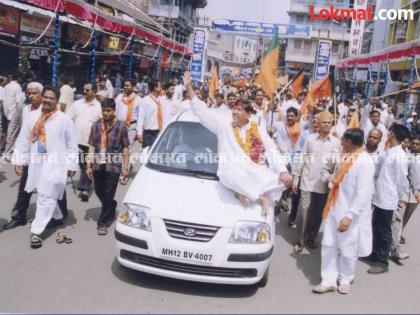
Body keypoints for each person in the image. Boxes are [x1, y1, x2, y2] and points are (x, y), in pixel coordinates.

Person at [183, 71, 292, 216]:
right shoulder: (223, 126)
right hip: (232, 172)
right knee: (228, 174)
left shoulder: (257, 127)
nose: (234, 112)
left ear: (248, 114)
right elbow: (202, 112)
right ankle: (259, 199)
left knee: (285, 180)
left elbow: (271, 149)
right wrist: (189, 88)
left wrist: (283, 170)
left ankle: (241, 192)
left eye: (239, 110)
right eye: (234, 108)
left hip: (253, 170)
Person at [12, 86, 78, 248]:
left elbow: (71, 144)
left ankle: (36, 232)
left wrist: (71, 163)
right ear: (42, 97)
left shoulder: (64, 120)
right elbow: (24, 139)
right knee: (44, 192)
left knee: (46, 196)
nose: (48, 100)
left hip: (56, 164)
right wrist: (19, 159)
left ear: (57, 101)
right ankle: (57, 216)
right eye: (46, 97)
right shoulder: (32, 116)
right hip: (36, 162)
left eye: (52, 98)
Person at [313, 128, 375, 294]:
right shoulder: (343, 156)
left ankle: (346, 278)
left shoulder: (365, 162)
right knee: (328, 244)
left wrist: (349, 216)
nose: (340, 143)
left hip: (350, 212)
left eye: (343, 141)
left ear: (350, 142)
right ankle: (328, 280)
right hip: (334, 206)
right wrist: (332, 178)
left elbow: (363, 194)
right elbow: (337, 179)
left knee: (348, 247)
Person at [3, 82, 70, 230]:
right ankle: (19, 217)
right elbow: (19, 130)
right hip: (31, 156)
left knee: (56, 186)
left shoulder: (57, 116)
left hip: (50, 158)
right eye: (28, 93)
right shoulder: (24, 109)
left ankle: (60, 214)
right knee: (24, 188)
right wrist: (18, 158)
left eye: (35, 93)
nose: (31, 96)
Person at [292, 112, 340, 252]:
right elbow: (302, 157)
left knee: (318, 213)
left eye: (329, 122)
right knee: (304, 211)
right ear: (317, 124)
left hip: (324, 184)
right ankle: (300, 240)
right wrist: (296, 177)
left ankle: (311, 237)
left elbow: (337, 165)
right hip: (307, 181)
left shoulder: (336, 142)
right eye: (323, 122)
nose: (326, 125)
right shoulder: (310, 139)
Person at [367, 124, 410, 274]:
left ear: (392, 134)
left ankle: (382, 262)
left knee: (385, 231)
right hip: (378, 196)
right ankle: (374, 253)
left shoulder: (399, 156)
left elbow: (402, 180)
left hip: (388, 198)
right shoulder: (387, 153)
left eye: (390, 132)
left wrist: (402, 196)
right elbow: (376, 169)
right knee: (376, 227)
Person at [86, 98, 129, 236]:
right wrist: (89, 164)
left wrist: (125, 167)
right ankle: (111, 205)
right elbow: (92, 145)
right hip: (99, 164)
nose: (105, 113)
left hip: (114, 165)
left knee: (109, 192)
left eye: (108, 111)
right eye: (103, 111)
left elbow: (126, 148)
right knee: (99, 191)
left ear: (114, 110)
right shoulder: (96, 126)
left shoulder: (121, 126)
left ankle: (102, 223)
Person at [67, 82, 101, 202]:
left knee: (88, 164)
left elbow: (102, 123)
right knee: (83, 164)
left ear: (94, 92)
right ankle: (85, 184)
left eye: (87, 90)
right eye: (84, 89)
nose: (84, 91)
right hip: (77, 140)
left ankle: (85, 188)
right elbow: (68, 119)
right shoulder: (77, 104)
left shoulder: (99, 106)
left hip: (92, 142)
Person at [390, 135, 420, 263]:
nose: (414, 145)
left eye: (417, 144)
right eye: (413, 143)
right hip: (407, 192)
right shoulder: (406, 156)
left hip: (415, 195)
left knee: (404, 219)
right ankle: (395, 247)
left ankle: (396, 239)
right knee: (398, 219)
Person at [115, 78, 141, 183]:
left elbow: (140, 117)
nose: (125, 87)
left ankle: (124, 173)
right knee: (120, 149)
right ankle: (126, 165)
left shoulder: (139, 100)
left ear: (133, 87)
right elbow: (115, 111)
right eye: (124, 85)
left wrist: (139, 132)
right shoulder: (119, 97)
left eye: (128, 85)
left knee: (127, 149)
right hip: (120, 126)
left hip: (131, 126)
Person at [137, 80, 165, 148]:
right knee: (148, 155)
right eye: (160, 87)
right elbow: (141, 117)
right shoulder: (145, 101)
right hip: (149, 134)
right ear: (155, 88)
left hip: (159, 132)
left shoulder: (161, 100)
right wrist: (139, 133)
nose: (161, 88)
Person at [3, 73, 23, 139]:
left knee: (5, 131)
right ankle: (8, 148)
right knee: (12, 134)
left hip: (5, 112)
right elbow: (18, 102)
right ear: (19, 78)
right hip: (13, 113)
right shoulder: (18, 87)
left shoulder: (6, 86)